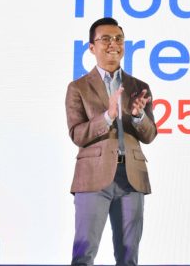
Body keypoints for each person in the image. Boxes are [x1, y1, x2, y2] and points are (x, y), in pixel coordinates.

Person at [66, 17, 157, 265]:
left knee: (129, 257)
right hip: (92, 178)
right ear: (91, 47)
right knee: (84, 254)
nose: (113, 44)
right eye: (105, 39)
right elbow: (77, 134)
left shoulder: (139, 86)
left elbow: (149, 135)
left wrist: (138, 116)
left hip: (132, 178)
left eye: (118, 39)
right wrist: (107, 117)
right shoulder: (78, 87)